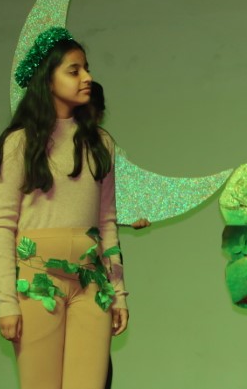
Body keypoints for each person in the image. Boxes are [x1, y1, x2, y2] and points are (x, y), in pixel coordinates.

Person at [0, 27, 128, 389]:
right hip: (36, 281)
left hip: (90, 282)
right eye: (74, 70)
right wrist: (7, 301)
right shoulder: (17, 144)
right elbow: (3, 226)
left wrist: (118, 292)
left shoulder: (101, 143)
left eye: (87, 69)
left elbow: (107, 223)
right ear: (47, 80)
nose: (87, 77)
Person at [89, 81, 149, 389]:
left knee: (96, 353)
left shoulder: (103, 146)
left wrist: (129, 215)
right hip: (58, 262)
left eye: (91, 111)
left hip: (98, 260)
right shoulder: (43, 143)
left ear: (100, 114)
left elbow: (108, 209)